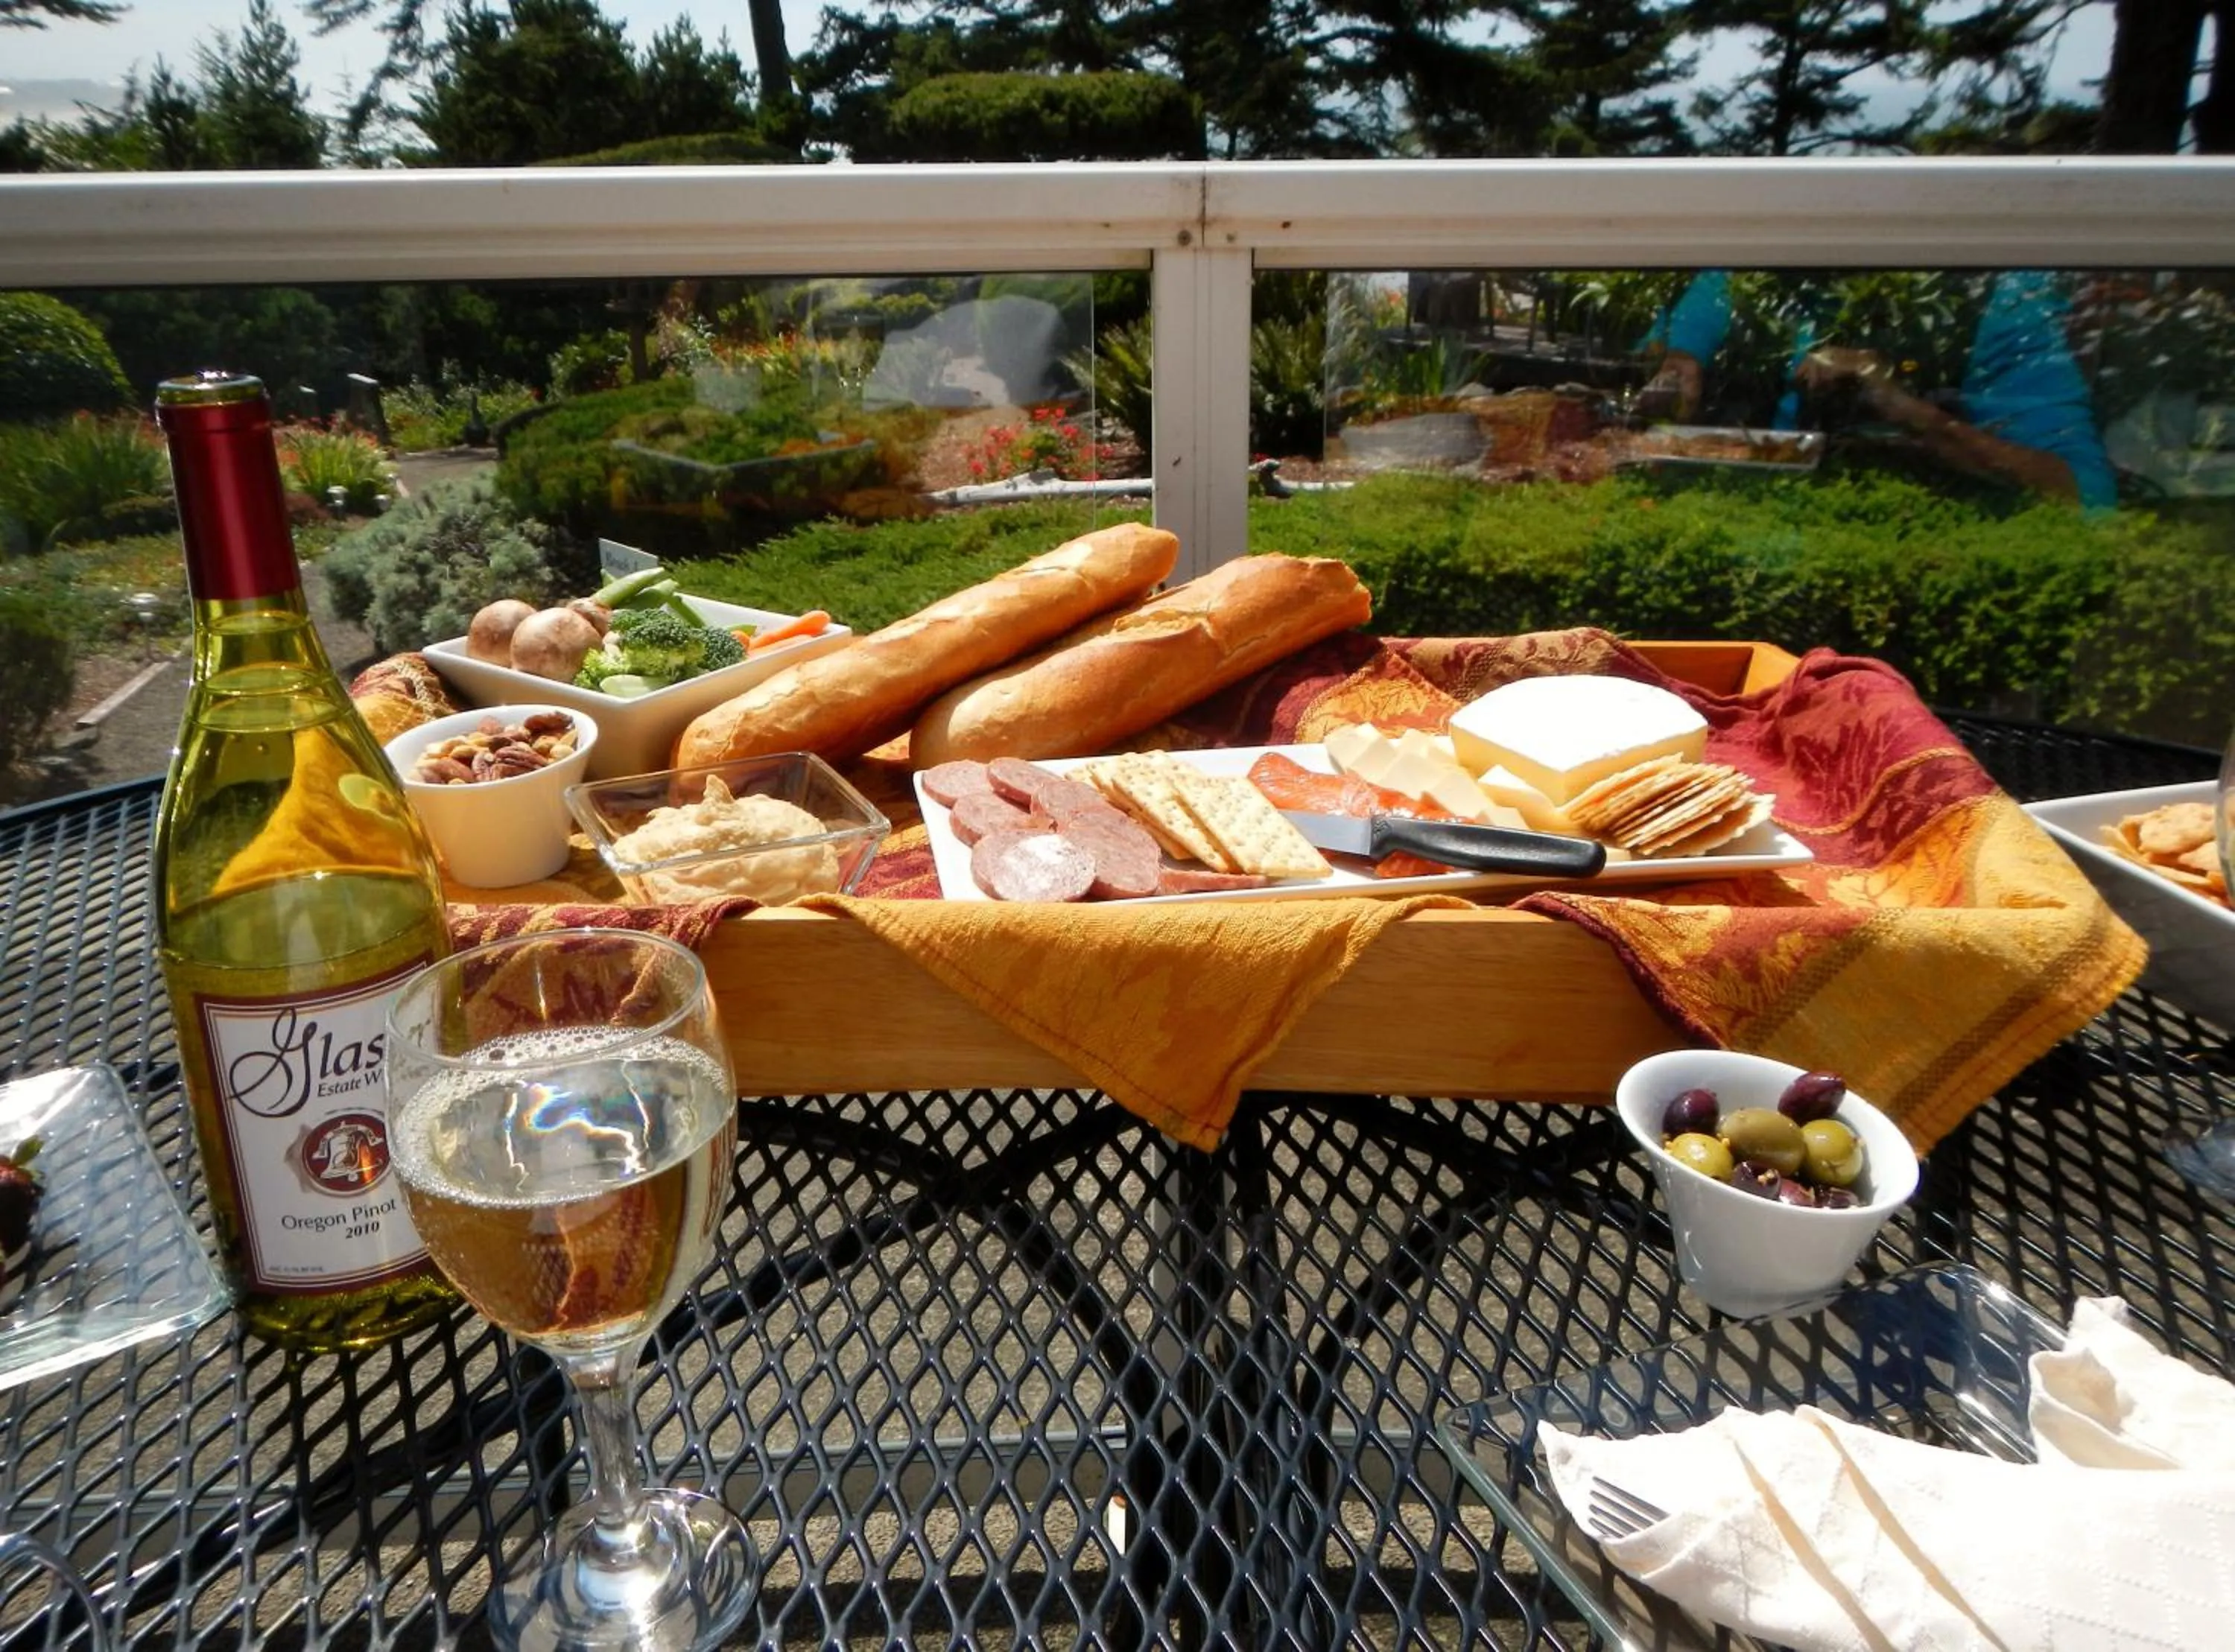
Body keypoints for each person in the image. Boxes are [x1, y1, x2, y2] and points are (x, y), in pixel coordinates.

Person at [1637, 270, 2119, 509]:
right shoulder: (1761, 276)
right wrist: (1679, 359)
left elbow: (2085, 495)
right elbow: (1717, 287)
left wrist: (1905, 410)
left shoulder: (2000, 303)